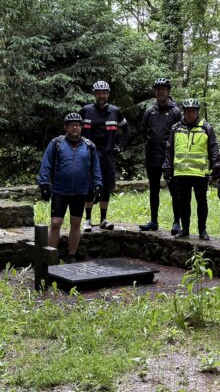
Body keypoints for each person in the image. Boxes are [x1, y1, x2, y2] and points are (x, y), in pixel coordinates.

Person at [37, 112, 103, 263]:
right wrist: (44, 184)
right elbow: (46, 164)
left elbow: (96, 167)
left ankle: (71, 255)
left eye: (78, 125)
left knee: (76, 223)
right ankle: (51, 257)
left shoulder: (89, 146)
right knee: (55, 223)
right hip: (60, 191)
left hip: (80, 191)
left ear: (81, 127)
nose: (75, 128)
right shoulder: (56, 143)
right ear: (66, 127)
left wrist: (98, 185)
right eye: (72, 125)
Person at [163, 98, 219, 240]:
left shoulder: (206, 127)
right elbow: (169, 149)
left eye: (192, 111)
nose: (190, 114)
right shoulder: (176, 128)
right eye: (187, 111)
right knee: (183, 202)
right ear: (183, 112)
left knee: (202, 202)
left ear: (197, 112)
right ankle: (185, 229)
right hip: (181, 172)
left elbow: (213, 148)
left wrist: (216, 167)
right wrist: (167, 167)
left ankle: (202, 230)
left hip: (200, 172)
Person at [80, 80, 129, 231]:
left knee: (106, 187)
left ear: (108, 94)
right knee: (89, 187)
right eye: (99, 93)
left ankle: (103, 219)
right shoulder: (86, 110)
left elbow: (126, 130)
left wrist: (120, 146)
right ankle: (87, 220)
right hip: (90, 154)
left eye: (104, 93)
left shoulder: (115, 111)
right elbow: (74, 129)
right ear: (94, 94)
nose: (101, 96)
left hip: (108, 154)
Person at [139, 77, 182, 233]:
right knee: (154, 190)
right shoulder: (149, 112)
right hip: (152, 157)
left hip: (170, 158)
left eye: (163, 89)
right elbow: (144, 133)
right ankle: (153, 221)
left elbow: (181, 134)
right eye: (158, 90)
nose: (160, 92)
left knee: (175, 190)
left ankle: (177, 222)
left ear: (168, 92)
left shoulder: (176, 112)